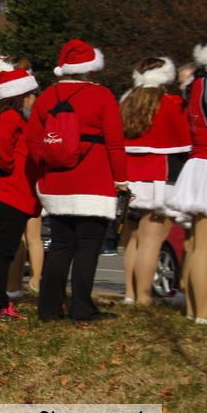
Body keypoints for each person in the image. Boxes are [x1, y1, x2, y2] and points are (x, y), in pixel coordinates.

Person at [27, 38, 129, 322]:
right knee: (88, 245)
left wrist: (44, 172)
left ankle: (49, 308)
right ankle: (82, 307)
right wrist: (121, 180)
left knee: (60, 246)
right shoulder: (103, 96)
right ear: (90, 68)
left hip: (57, 183)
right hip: (94, 182)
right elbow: (115, 144)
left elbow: (33, 143)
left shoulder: (47, 97)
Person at [119, 57, 191, 306]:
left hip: (131, 179)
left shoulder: (127, 101)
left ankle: (130, 293)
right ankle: (144, 298)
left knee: (133, 239)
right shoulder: (170, 103)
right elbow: (186, 141)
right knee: (152, 241)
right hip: (159, 177)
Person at [0, 67, 40, 321]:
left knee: (3, 252)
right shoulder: (11, 117)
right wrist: (9, 165)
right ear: (23, 95)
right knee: (2, 253)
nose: (36, 99)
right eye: (33, 94)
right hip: (6, 194)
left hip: (9, 193)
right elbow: (1, 144)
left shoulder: (8, 116)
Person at [168, 36, 207, 324]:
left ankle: (195, 309)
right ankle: (203, 312)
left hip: (199, 163)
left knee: (197, 241)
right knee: (204, 244)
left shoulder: (197, 83)